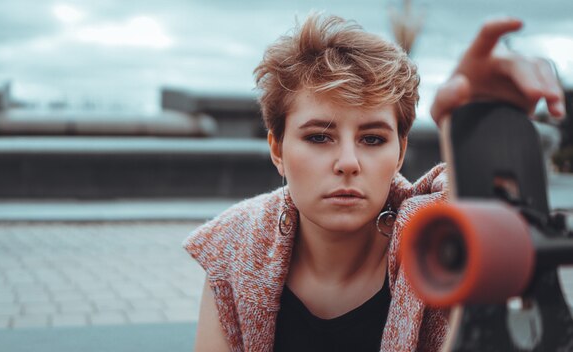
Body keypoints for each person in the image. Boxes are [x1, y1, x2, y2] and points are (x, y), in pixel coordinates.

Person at [183, 13, 565, 352]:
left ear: (399, 153)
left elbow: (477, 205)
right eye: (319, 137)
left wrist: (482, 142)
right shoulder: (234, 245)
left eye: (372, 139)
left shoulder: (443, 235)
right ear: (277, 149)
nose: (348, 162)